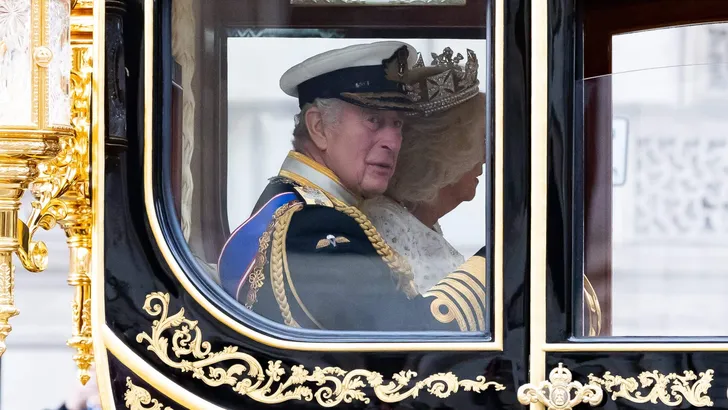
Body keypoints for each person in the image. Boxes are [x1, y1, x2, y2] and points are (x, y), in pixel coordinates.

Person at [217, 41, 486, 332]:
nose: (393, 142)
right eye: (374, 120)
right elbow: (411, 335)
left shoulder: (306, 205)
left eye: (397, 124)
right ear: (318, 127)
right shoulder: (309, 226)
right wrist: (503, 256)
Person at [360, 48, 486, 293]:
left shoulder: (416, 221)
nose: (484, 159)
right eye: (479, 143)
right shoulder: (386, 226)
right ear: (444, 152)